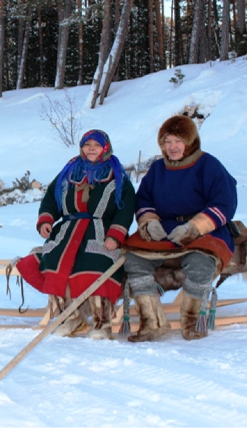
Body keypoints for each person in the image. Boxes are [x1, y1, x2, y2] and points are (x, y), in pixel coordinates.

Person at [122, 114, 237, 342]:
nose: (172, 147)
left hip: (203, 230)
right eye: (167, 141)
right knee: (134, 259)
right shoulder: (157, 169)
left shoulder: (208, 165)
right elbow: (143, 199)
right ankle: (152, 322)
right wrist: (149, 222)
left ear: (190, 142)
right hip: (165, 230)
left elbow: (225, 201)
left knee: (199, 261)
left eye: (178, 141)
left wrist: (194, 227)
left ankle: (191, 322)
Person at [16, 129, 135, 339]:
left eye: (96, 145)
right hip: (67, 233)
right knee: (56, 265)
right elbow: (51, 198)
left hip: (100, 232)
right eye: (87, 145)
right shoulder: (69, 173)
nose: (91, 149)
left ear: (105, 148)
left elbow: (126, 207)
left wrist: (115, 235)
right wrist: (46, 220)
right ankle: (70, 317)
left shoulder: (117, 177)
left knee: (96, 266)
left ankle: (102, 322)